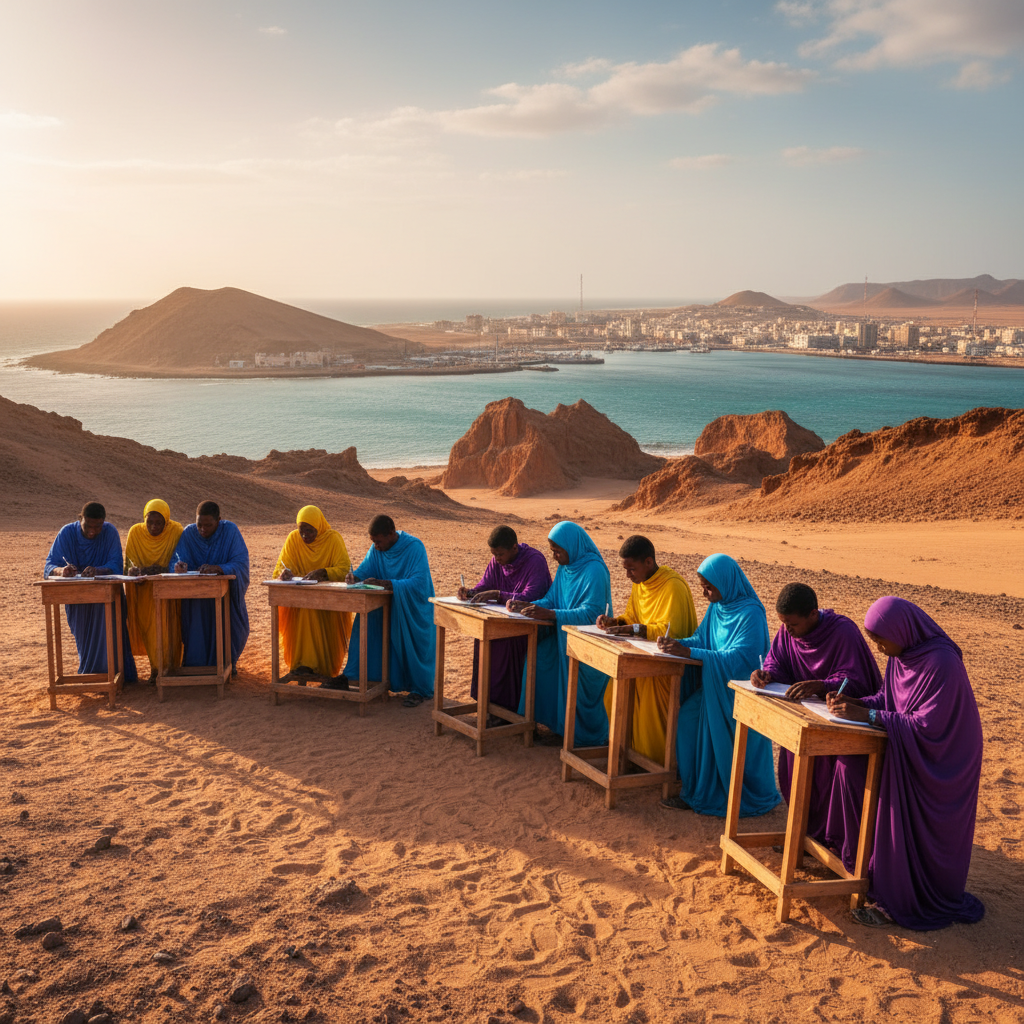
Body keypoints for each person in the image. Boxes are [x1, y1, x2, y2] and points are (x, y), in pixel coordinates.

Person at [827, 596, 985, 930]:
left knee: (909, 821)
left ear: (903, 629)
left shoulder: (942, 663)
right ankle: (866, 869)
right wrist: (853, 703)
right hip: (910, 748)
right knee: (848, 765)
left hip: (942, 761)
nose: (880, 648)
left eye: (882, 640)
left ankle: (901, 897)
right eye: (874, 642)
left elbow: (927, 725)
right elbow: (889, 700)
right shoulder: (901, 656)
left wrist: (867, 714)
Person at [750, 582, 882, 870]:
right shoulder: (788, 631)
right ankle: (803, 835)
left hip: (837, 723)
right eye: (784, 623)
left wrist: (822, 685)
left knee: (830, 783)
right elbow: (777, 660)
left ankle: (831, 844)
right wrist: (766, 674)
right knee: (794, 774)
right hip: (802, 720)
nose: (788, 630)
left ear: (812, 614)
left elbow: (858, 680)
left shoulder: (842, 631)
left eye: (793, 624)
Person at [658, 553, 779, 817]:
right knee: (687, 720)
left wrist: (690, 653)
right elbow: (702, 639)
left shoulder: (751, 613)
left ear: (725, 582)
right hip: (713, 687)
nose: (704, 592)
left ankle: (730, 794)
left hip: (734, 693)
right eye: (702, 586)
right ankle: (695, 791)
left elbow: (741, 659)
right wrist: (678, 645)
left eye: (709, 586)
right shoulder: (717, 606)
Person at [596, 535, 697, 763]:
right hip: (637, 656)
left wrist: (635, 628)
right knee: (613, 694)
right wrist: (616, 622)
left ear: (648, 563)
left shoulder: (673, 586)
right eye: (625, 569)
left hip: (663, 664)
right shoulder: (640, 585)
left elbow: (673, 630)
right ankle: (627, 753)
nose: (628, 575)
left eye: (631, 569)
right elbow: (632, 617)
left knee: (651, 713)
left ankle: (656, 764)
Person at [509, 521, 611, 745]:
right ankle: (544, 724)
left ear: (572, 545)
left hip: (586, 642)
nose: (554, 555)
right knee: (537, 658)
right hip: (560, 636)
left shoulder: (594, 570)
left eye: (558, 549)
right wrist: (526, 605)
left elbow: (592, 613)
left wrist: (551, 613)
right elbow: (552, 599)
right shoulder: (565, 569)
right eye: (552, 550)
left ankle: (581, 736)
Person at [457, 525, 551, 716]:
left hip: (526, 625)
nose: (497, 559)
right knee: (482, 637)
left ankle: (509, 711)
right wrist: (471, 592)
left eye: (500, 554)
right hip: (500, 620)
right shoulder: (496, 561)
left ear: (514, 548)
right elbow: (486, 584)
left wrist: (499, 595)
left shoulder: (535, 560)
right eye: (494, 554)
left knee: (508, 644)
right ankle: (488, 704)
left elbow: (531, 596)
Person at [344, 514, 435, 706]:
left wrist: (387, 583)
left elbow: (419, 583)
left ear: (392, 533)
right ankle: (371, 681)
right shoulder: (376, 549)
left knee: (412, 650)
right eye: (373, 542)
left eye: (378, 542)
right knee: (366, 626)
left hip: (410, 610)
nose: (376, 546)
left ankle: (419, 691)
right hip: (383, 607)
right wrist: (355, 578)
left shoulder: (414, 547)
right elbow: (365, 570)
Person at [44, 502, 138, 684]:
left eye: (98, 526)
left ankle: (115, 678)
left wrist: (99, 571)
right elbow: (49, 566)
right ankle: (91, 677)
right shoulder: (66, 533)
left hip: (107, 597)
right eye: (88, 526)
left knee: (111, 639)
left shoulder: (110, 532)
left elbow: (117, 565)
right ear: (80, 519)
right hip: (77, 599)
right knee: (84, 641)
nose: (93, 531)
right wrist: (61, 571)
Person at [272, 505, 353, 687]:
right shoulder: (293, 539)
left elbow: (343, 569)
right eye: (302, 531)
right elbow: (279, 567)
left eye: (310, 531)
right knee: (304, 616)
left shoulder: (333, 539)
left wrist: (324, 572)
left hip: (328, 600)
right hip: (300, 599)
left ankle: (321, 668)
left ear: (319, 526)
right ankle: (302, 665)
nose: (304, 536)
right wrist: (284, 574)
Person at [172, 500, 250, 672]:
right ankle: (196, 668)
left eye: (208, 525)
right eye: (200, 524)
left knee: (228, 630)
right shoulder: (189, 533)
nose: (203, 529)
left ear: (219, 520)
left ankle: (227, 665)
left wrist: (220, 568)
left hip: (224, 598)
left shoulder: (230, 531)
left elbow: (241, 563)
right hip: (196, 601)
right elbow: (178, 558)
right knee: (195, 633)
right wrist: (179, 566)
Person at [124, 498, 185, 683]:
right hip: (144, 591)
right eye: (149, 522)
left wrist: (163, 569)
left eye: (159, 523)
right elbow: (128, 565)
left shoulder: (176, 531)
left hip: (168, 590)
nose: (153, 526)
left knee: (169, 628)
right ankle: (156, 669)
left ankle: (170, 669)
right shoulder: (135, 532)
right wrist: (134, 571)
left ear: (167, 521)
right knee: (150, 630)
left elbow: (180, 557)